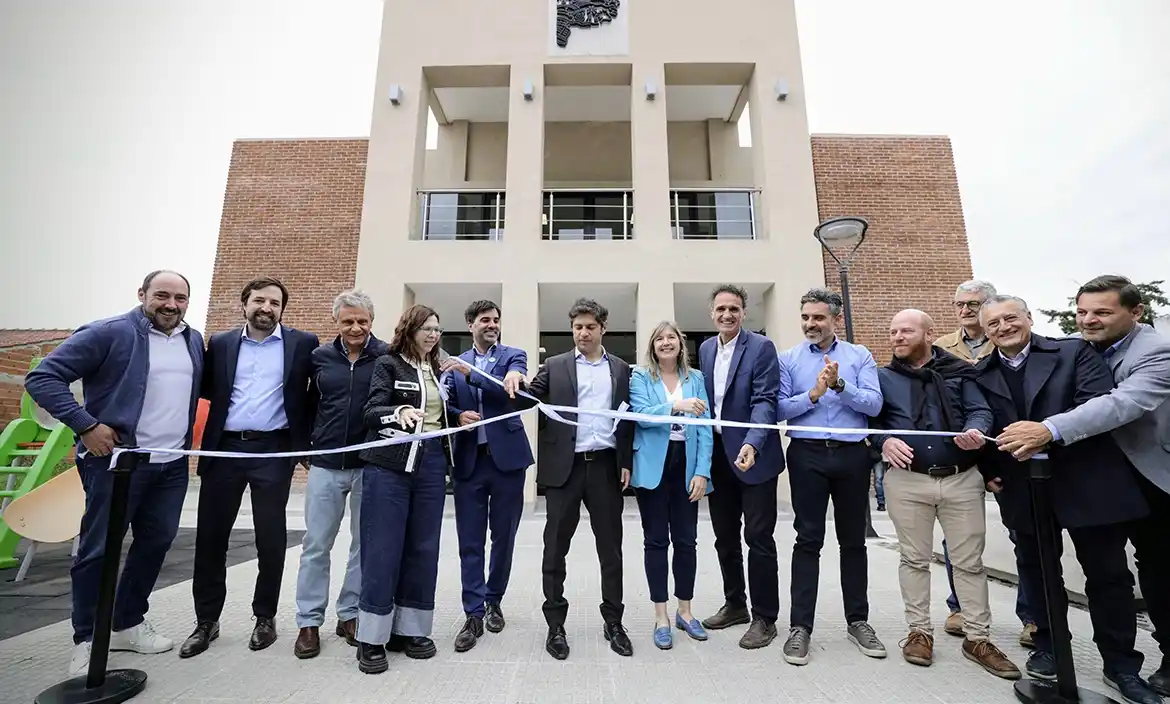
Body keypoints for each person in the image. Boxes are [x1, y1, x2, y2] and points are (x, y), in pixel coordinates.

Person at [974, 294, 1159, 703]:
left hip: (1087, 481)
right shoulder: (980, 372)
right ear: (984, 332)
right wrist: (988, 471)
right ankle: (1049, 648)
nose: (1004, 328)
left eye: (1011, 318)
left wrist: (1045, 433)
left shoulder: (1074, 352)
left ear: (1028, 317)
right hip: (1022, 487)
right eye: (993, 324)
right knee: (1038, 574)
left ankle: (1122, 667)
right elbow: (978, 424)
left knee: (1109, 577)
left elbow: (1096, 404)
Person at [25, 270, 204, 675]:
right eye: (162, 295)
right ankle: (87, 639)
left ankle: (127, 623)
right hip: (116, 464)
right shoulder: (108, 333)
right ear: (142, 294)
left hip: (171, 465)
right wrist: (85, 425)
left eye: (180, 298)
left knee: (156, 543)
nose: (171, 305)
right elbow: (42, 377)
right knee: (98, 550)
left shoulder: (192, 340)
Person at [870, 309, 1020, 679]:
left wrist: (975, 431)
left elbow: (980, 411)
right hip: (907, 481)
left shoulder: (959, 371)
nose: (897, 337)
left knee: (969, 562)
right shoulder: (881, 378)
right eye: (893, 331)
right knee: (914, 560)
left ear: (929, 334)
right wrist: (884, 441)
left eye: (906, 331)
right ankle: (919, 632)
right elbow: (870, 421)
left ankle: (978, 638)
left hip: (961, 479)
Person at [182, 277, 320, 658]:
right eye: (259, 300)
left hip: (274, 450)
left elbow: (314, 395)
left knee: (270, 539)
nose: (267, 308)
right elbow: (207, 389)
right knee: (211, 538)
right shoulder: (221, 343)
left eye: (275, 303)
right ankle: (206, 621)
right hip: (225, 450)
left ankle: (265, 617)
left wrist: (305, 442)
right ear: (244, 304)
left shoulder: (303, 343)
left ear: (282, 309)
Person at [517, 298, 635, 661]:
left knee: (611, 550)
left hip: (605, 467)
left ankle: (614, 621)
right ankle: (555, 624)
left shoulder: (620, 369)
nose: (583, 333)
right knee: (555, 549)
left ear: (603, 329)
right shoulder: (554, 366)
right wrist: (511, 379)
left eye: (590, 327)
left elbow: (628, 418)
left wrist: (625, 461)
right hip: (563, 470)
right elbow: (525, 398)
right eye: (577, 327)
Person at [775, 288, 886, 665]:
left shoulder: (859, 355)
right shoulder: (788, 359)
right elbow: (779, 408)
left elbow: (874, 404)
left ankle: (858, 622)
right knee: (807, 539)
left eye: (818, 317)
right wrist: (814, 393)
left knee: (853, 541)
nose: (811, 324)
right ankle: (800, 628)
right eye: (806, 317)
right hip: (806, 455)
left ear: (835, 319)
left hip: (852, 455)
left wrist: (840, 385)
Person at [353, 304, 457, 674]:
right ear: (409, 330)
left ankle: (409, 631)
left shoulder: (438, 369)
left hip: (432, 464)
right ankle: (371, 637)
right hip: (390, 465)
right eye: (426, 328)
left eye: (437, 329)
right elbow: (371, 411)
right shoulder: (389, 364)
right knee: (383, 549)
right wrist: (397, 413)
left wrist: (458, 417)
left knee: (423, 548)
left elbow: (437, 413)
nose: (433, 334)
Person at [935, 279, 1036, 647]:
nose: (965, 310)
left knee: (1023, 535)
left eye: (974, 304)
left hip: (1008, 451)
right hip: (962, 455)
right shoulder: (940, 348)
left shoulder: (1008, 339)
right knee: (957, 538)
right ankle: (960, 607)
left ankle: (1032, 616)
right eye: (959, 304)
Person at [292, 290, 388, 659]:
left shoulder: (386, 355)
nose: (356, 327)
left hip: (369, 465)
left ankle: (349, 615)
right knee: (316, 545)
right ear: (336, 321)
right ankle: (308, 621)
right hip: (325, 464)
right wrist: (306, 448)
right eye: (348, 321)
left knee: (363, 546)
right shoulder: (319, 357)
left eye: (362, 321)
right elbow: (304, 405)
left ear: (371, 321)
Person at [441, 299, 533, 653]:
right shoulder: (454, 364)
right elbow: (445, 403)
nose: (492, 324)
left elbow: (516, 394)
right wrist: (456, 415)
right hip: (469, 463)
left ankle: (494, 600)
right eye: (485, 320)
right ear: (470, 325)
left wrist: (474, 375)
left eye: (496, 319)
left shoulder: (514, 357)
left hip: (507, 462)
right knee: (470, 541)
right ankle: (473, 612)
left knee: (504, 537)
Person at [697, 284, 783, 650]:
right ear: (712, 313)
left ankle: (765, 617)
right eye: (721, 309)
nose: (727, 314)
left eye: (734, 308)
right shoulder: (705, 348)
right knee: (725, 537)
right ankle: (735, 605)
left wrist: (752, 442)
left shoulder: (761, 347)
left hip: (754, 456)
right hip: (718, 456)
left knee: (758, 538)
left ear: (744, 313)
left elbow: (765, 400)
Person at [627, 320, 713, 650]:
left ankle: (685, 612)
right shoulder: (640, 376)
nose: (666, 342)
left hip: (686, 466)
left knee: (687, 541)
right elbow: (641, 414)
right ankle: (661, 616)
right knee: (656, 541)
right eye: (660, 338)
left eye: (671, 337)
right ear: (653, 346)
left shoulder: (696, 378)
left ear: (680, 343)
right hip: (653, 466)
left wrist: (702, 471)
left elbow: (705, 427)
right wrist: (676, 405)